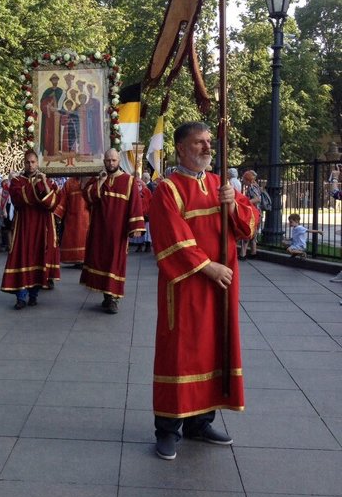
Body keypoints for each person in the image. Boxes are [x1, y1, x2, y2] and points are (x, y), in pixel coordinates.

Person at [149, 121, 260, 460]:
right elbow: (171, 235)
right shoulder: (168, 188)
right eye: (198, 143)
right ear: (181, 148)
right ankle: (167, 429)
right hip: (187, 286)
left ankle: (200, 422)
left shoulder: (220, 184)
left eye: (209, 142)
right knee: (180, 352)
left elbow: (248, 224)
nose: (207, 148)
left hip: (221, 286)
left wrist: (233, 205)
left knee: (214, 350)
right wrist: (208, 267)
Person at [80, 149, 146, 314]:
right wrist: (100, 182)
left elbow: (135, 205)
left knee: (115, 264)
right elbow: (87, 197)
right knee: (101, 261)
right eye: (108, 160)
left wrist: (136, 227)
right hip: (99, 230)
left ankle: (113, 299)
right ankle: (107, 296)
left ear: (119, 161)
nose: (111, 163)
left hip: (118, 232)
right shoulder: (97, 180)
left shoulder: (128, 181)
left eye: (114, 160)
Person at [0, 150, 60, 309]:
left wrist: (44, 184)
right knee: (21, 257)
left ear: (37, 163)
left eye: (33, 162)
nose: (30, 165)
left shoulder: (46, 180)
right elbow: (18, 199)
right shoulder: (18, 181)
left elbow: (53, 203)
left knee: (39, 256)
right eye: (28, 162)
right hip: (24, 225)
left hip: (42, 225)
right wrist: (35, 186)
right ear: (24, 163)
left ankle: (34, 294)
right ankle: (21, 297)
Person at [55, 176, 91, 267]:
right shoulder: (69, 183)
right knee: (72, 238)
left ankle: (85, 260)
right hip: (71, 216)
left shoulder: (90, 180)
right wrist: (58, 214)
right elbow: (63, 200)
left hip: (87, 216)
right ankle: (76, 260)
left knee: (85, 237)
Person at [239, 170, 261, 260]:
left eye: (244, 179)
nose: (243, 180)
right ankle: (253, 252)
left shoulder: (252, 187)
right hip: (257, 212)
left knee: (247, 231)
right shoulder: (256, 186)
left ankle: (242, 254)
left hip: (253, 213)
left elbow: (257, 199)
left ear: (247, 179)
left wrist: (245, 203)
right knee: (253, 233)